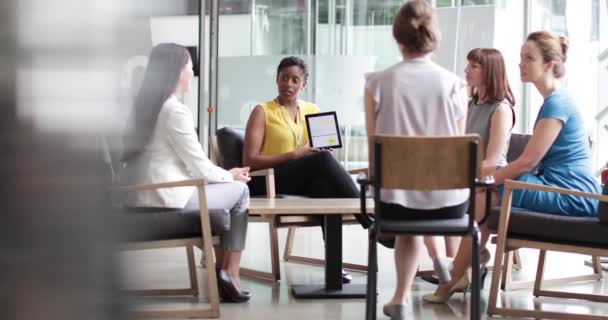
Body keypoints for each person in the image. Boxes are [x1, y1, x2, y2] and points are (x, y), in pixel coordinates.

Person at [424, 31, 602, 304]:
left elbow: (528, 161)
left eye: (528, 58)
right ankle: (466, 264)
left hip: (572, 193)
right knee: (482, 195)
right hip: (555, 185)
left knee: (482, 195)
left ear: (549, 65)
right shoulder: (553, 100)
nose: (520, 64)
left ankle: (457, 274)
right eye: (521, 57)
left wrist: (486, 180)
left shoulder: (557, 103)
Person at [122, 43, 252, 303]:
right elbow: (199, 167)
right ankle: (230, 273)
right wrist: (232, 176)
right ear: (176, 71)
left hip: (141, 199)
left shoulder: (143, 108)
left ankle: (222, 274)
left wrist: (224, 175)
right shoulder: (174, 111)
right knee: (241, 192)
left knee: (223, 192)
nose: (192, 73)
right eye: (190, 67)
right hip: (166, 203)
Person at [363, 1, 469, 318]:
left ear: (397, 38)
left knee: (407, 205)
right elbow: (456, 150)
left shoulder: (376, 84)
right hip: (450, 203)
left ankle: (400, 296)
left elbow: (373, 147)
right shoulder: (455, 85)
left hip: (396, 202)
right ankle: (436, 260)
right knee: (426, 189)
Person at [242, 56, 373, 283]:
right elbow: (250, 160)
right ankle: (369, 218)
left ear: (304, 84)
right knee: (322, 161)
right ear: (276, 79)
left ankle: (334, 264)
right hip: (269, 179)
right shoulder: (262, 111)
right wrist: (294, 155)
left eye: (295, 80)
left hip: (301, 178)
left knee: (324, 187)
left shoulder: (313, 109)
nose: (289, 84)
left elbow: (323, 150)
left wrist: (324, 154)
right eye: (284, 78)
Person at [422, 47, 516, 286]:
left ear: (490, 72)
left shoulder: (501, 109)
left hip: (491, 180)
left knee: (444, 195)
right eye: (468, 64)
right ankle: (457, 265)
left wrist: (457, 175)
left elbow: (493, 161)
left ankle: (456, 268)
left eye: (474, 66)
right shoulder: (471, 105)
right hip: (469, 175)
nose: (466, 69)